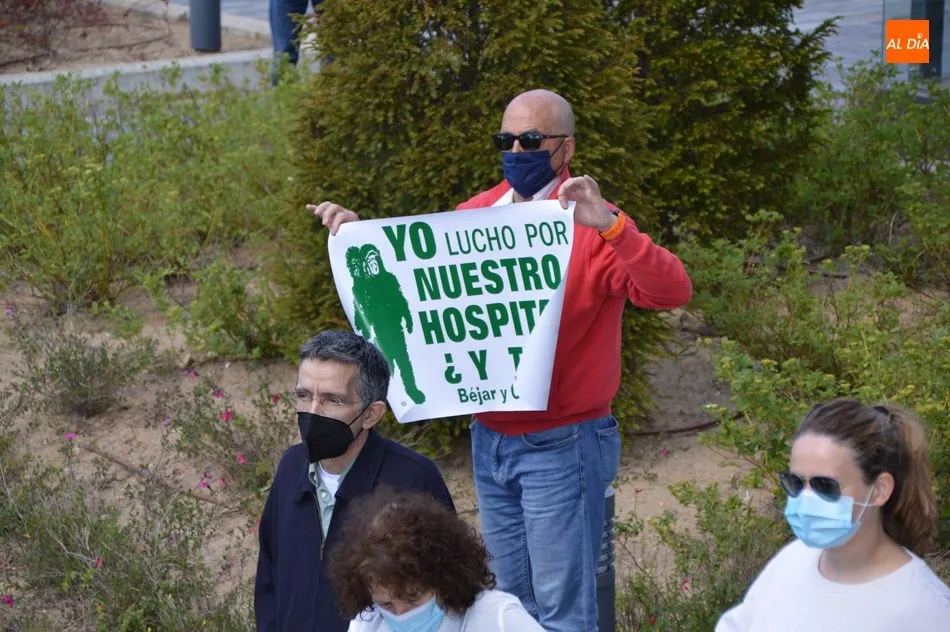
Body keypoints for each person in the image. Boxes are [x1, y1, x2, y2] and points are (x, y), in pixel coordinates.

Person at [308, 88, 693, 631]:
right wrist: (357, 239)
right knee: (507, 606)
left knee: (563, 612)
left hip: (564, 442)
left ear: (566, 148)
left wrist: (611, 224)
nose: (516, 149)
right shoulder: (478, 215)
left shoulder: (591, 225)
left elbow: (670, 290)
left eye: (531, 139)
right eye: (506, 139)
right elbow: (422, 286)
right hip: (490, 439)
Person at [254, 331, 456, 632]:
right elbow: (269, 577)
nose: (312, 412)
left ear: (371, 414)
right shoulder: (291, 466)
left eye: (332, 400)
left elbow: (447, 591)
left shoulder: (413, 479)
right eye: (303, 395)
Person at [716, 398, 950, 631]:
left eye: (825, 485)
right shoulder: (792, 559)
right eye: (795, 482)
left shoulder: (925, 610)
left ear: (879, 490)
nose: (806, 498)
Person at [326, 487, 546, 632]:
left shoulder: (499, 619)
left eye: (413, 597)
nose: (402, 615)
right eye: (387, 604)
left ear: (443, 579)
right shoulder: (368, 624)